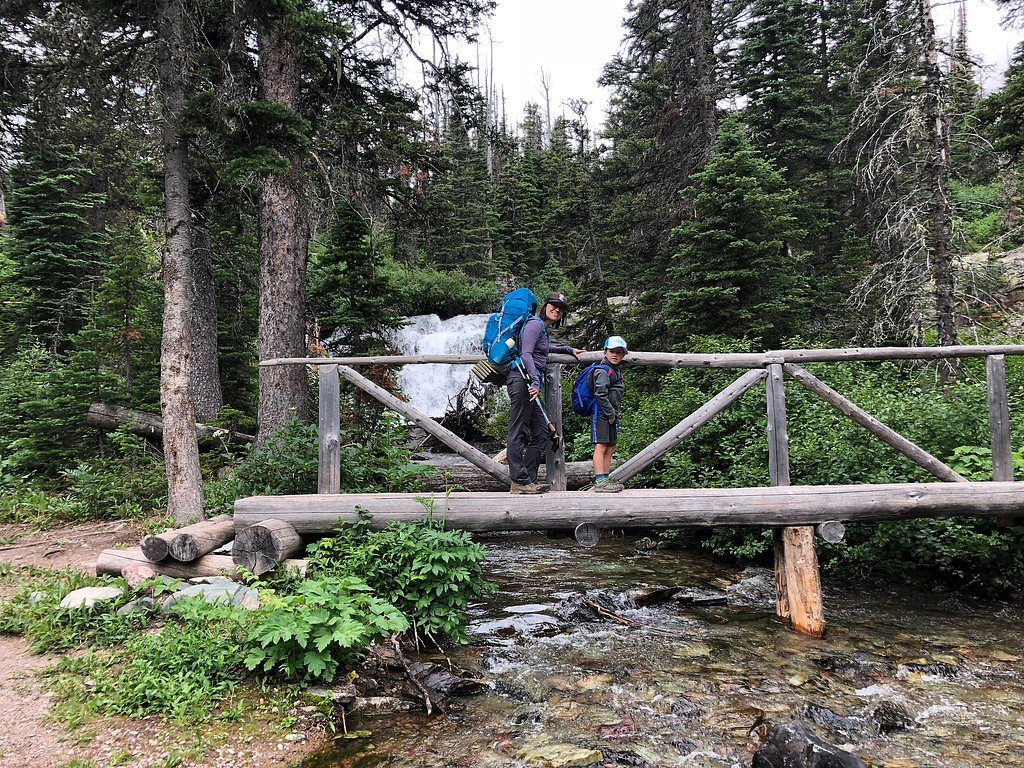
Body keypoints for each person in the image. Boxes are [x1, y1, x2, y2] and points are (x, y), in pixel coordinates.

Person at [507, 292, 583, 494]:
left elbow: (542, 348)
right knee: (519, 430)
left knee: (541, 432)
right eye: (553, 305)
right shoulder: (534, 324)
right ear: (545, 305)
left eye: (561, 308)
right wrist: (534, 380)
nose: (557, 309)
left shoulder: (541, 328)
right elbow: (526, 354)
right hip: (522, 380)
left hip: (529, 382)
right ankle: (519, 481)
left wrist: (567, 349)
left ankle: (528, 480)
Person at [591, 336, 627, 493]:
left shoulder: (615, 370)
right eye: (612, 351)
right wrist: (610, 413)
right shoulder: (603, 370)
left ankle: (605, 479)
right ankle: (600, 481)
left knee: (611, 446)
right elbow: (600, 394)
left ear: (623, 355)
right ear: (605, 352)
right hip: (602, 413)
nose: (615, 355)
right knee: (601, 445)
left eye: (619, 352)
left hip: (611, 413)